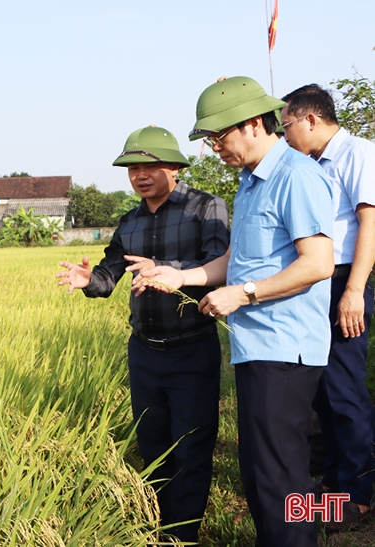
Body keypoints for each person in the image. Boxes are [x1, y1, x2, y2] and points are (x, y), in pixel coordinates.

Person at [134, 76, 335, 547]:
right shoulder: (251, 181)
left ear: (250, 124)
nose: (213, 148)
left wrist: (242, 294)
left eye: (218, 137)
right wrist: (180, 276)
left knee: (278, 476)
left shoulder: (295, 175)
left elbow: (318, 263)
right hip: (257, 347)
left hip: (285, 349)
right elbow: (238, 260)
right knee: (261, 474)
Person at [56, 125, 230, 543]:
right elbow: (108, 275)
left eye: (149, 165)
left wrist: (167, 269)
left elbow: (220, 266)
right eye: (132, 168)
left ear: (174, 165)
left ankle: (182, 534)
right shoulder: (129, 221)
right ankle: (159, 525)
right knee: (153, 444)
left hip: (191, 347)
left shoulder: (206, 208)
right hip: (145, 353)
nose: (140, 175)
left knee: (190, 445)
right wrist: (88, 279)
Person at [281, 83, 375, 531]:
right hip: (317, 281)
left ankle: (357, 494)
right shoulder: (309, 164)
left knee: (343, 389)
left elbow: (370, 223)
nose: (284, 136)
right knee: (320, 389)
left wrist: (354, 289)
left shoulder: (358, 153)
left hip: (343, 281)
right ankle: (333, 485)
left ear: (310, 119)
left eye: (286, 125)